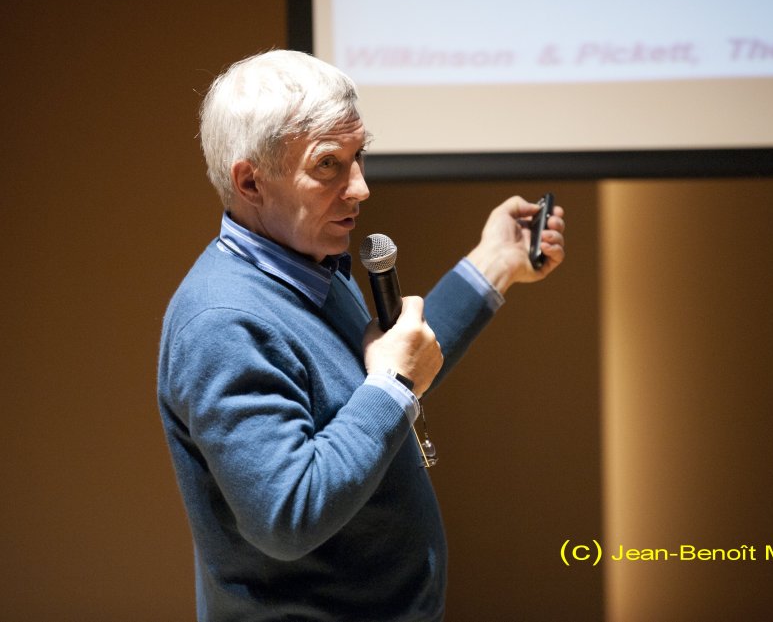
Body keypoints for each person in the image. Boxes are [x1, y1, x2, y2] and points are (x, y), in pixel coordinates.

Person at [156, 49, 565, 621]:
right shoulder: (224, 322)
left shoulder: (306, 263)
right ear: (250, 182)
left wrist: (494, 262)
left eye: (358, 156)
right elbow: (288, 515)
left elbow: (390, 369)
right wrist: (393, 386)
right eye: (328, 164)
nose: (360, 187)